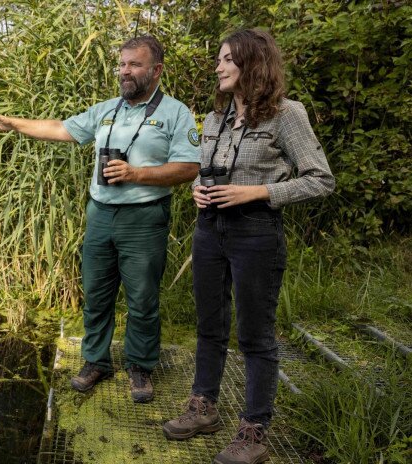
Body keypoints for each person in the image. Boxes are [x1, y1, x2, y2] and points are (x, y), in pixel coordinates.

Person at [0, 35, 200, 403]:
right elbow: (61, 129)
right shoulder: (107, 110)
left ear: (156, 70)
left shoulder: (175, 113)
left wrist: (136, 174)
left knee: (143, 298)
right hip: (100, 214)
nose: (125, 71)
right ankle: (96, 361)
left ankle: (141, 366)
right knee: (96, 295)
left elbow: (190, 167)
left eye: (134, 64)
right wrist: (13, 123)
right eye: (122, 64)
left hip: (145, 217)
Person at [161, 29, 334, 463]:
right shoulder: (215, 118)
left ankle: (254, 433)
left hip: (256, 232)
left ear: (251, 64)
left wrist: (255, 193)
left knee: (255, 335)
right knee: (209, 326)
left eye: (226, 59)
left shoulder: (286, 115)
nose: (217, 67)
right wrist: (197, 191)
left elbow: (320, 179)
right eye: (218, 60)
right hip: (209, 230)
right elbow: (205, 173)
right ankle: (203, 409)